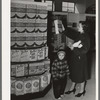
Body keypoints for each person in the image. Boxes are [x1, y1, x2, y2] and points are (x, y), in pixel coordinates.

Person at [64, 21, 90, 97]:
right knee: (74, 73)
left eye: (79, 26)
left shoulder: (86, 36)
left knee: (81, 74)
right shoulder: (80, 34)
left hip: (80, 58)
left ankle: (82, 90)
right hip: (75, 57)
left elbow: (85, 49)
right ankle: (72, 88)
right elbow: (72, 34)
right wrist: (64, 31)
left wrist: (73, 48)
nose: (78, 27)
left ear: (84, 28)